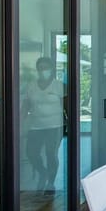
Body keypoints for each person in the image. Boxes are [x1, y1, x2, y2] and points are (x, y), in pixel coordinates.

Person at [23, 56, 65, 191]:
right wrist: (18, 122)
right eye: (40, 68)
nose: (43, 71)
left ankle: (50, 182)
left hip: (54, 126)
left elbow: (67, 106)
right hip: (36, 126)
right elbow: (26, 106)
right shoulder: (31, 86)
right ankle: (43, 172)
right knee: (31, 153)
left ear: (52, 69)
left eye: (46, 68)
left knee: (51, 153)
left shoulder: (58, 86)